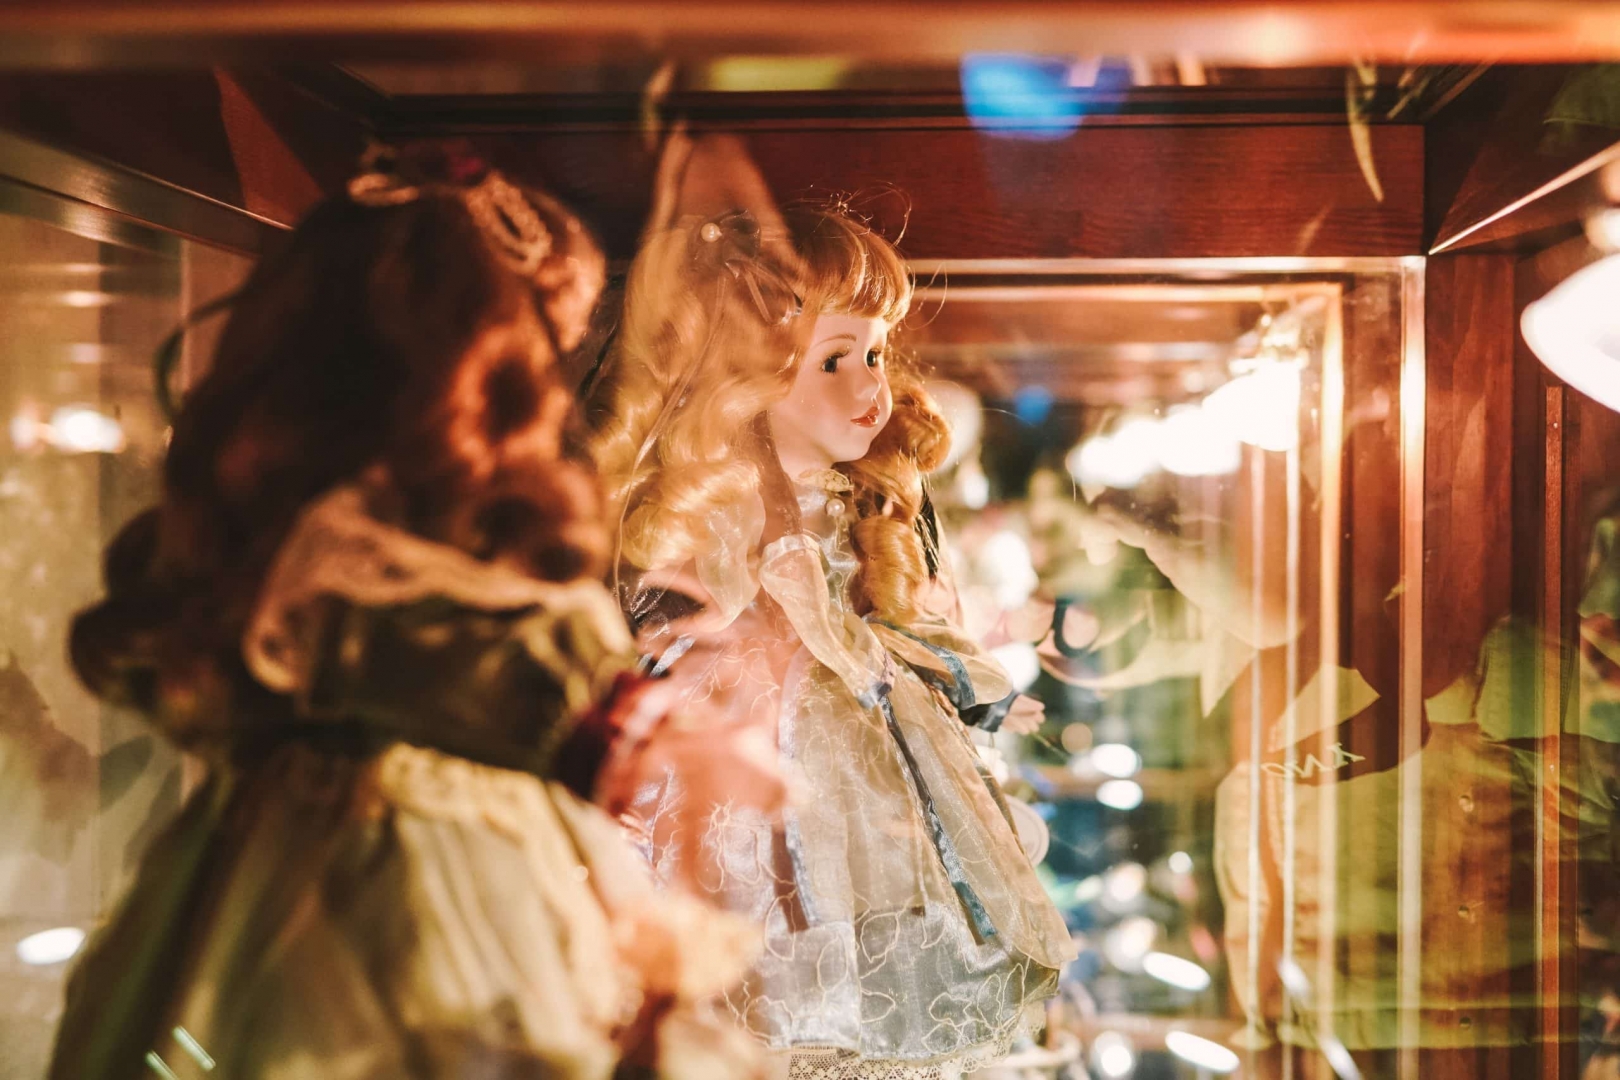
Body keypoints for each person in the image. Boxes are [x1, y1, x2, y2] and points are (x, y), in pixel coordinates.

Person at [47, 148, 774, 1080]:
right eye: (546, 347)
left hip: (271, 864)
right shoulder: (366, 559)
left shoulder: (305, 536)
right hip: (418, 869)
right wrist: (630, 720)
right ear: (482, 362)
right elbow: (475, 671)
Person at [587, 205, 1076, 1079]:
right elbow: (672, 629)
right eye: (834, 360)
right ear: (746, 371)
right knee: (764, 941)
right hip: (753, 758)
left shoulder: (865, 507)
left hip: (865, 759)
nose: (870, 388)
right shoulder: (717, 508)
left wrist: (939, 670)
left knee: (884, 931)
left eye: (876, 355)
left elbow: (884, 624)